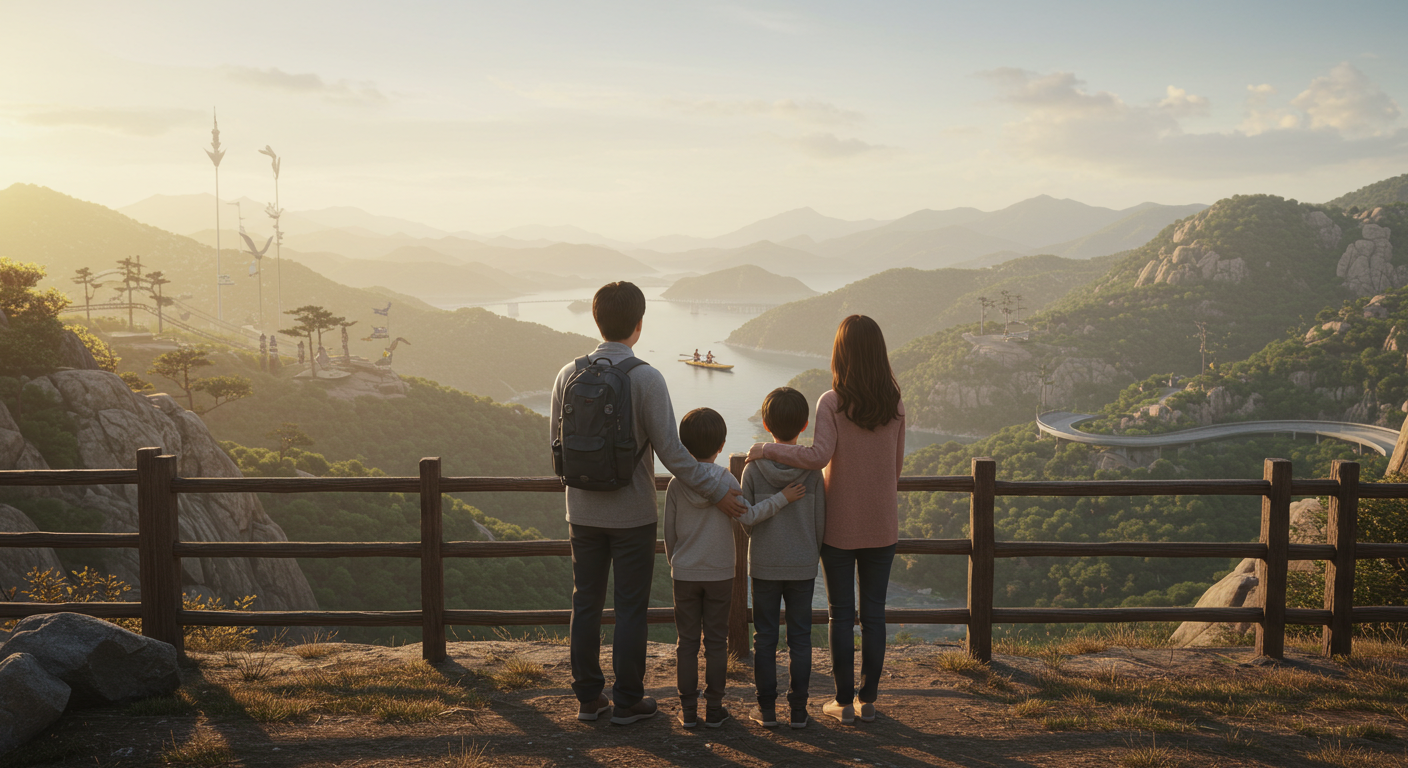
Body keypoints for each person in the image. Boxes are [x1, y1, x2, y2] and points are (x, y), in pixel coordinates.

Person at [551, 281, 747, 726]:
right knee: (630, 607)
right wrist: (718, 490)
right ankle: (627, 702)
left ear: (596, 319)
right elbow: (674, 455)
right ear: (639, 325)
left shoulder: (568, 373)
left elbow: (555, 445)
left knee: (585, 601)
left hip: (580, 511)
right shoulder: (646, 377)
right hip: (632, 513)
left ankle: (587, 700)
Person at [747, 315, 905, 725]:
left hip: (840, 524)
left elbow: (817, 456)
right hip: (883, 522)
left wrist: (768, 449)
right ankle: (867, 701)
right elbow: (896, 468)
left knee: (840, 613)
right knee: (874, 614)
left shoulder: (833, 402)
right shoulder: (895, 402)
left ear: (841, 353)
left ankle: (842, 701)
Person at [664, 407, 804, 729]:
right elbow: (750, 517)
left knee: (685, 644)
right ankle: (714, 710)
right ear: (722, 445)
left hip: (685, 574)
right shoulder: (727, 479)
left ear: (684, 446)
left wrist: (678, 562)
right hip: (720, 573)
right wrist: (783, 498)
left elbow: (669, 535)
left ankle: (687, 712)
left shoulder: (677, 483)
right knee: (716, 643)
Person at [740, 387, 825, 730]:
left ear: (765, 423)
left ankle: (767, 710)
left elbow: (746, 520)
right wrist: (809, 553)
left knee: (765, 637)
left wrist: (762, 541)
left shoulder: (754, 469)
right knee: (800, 638)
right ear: (805, 425)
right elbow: (820, 522)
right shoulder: (812, 470)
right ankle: (799, 712)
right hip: (802, 564)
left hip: (764, 564)